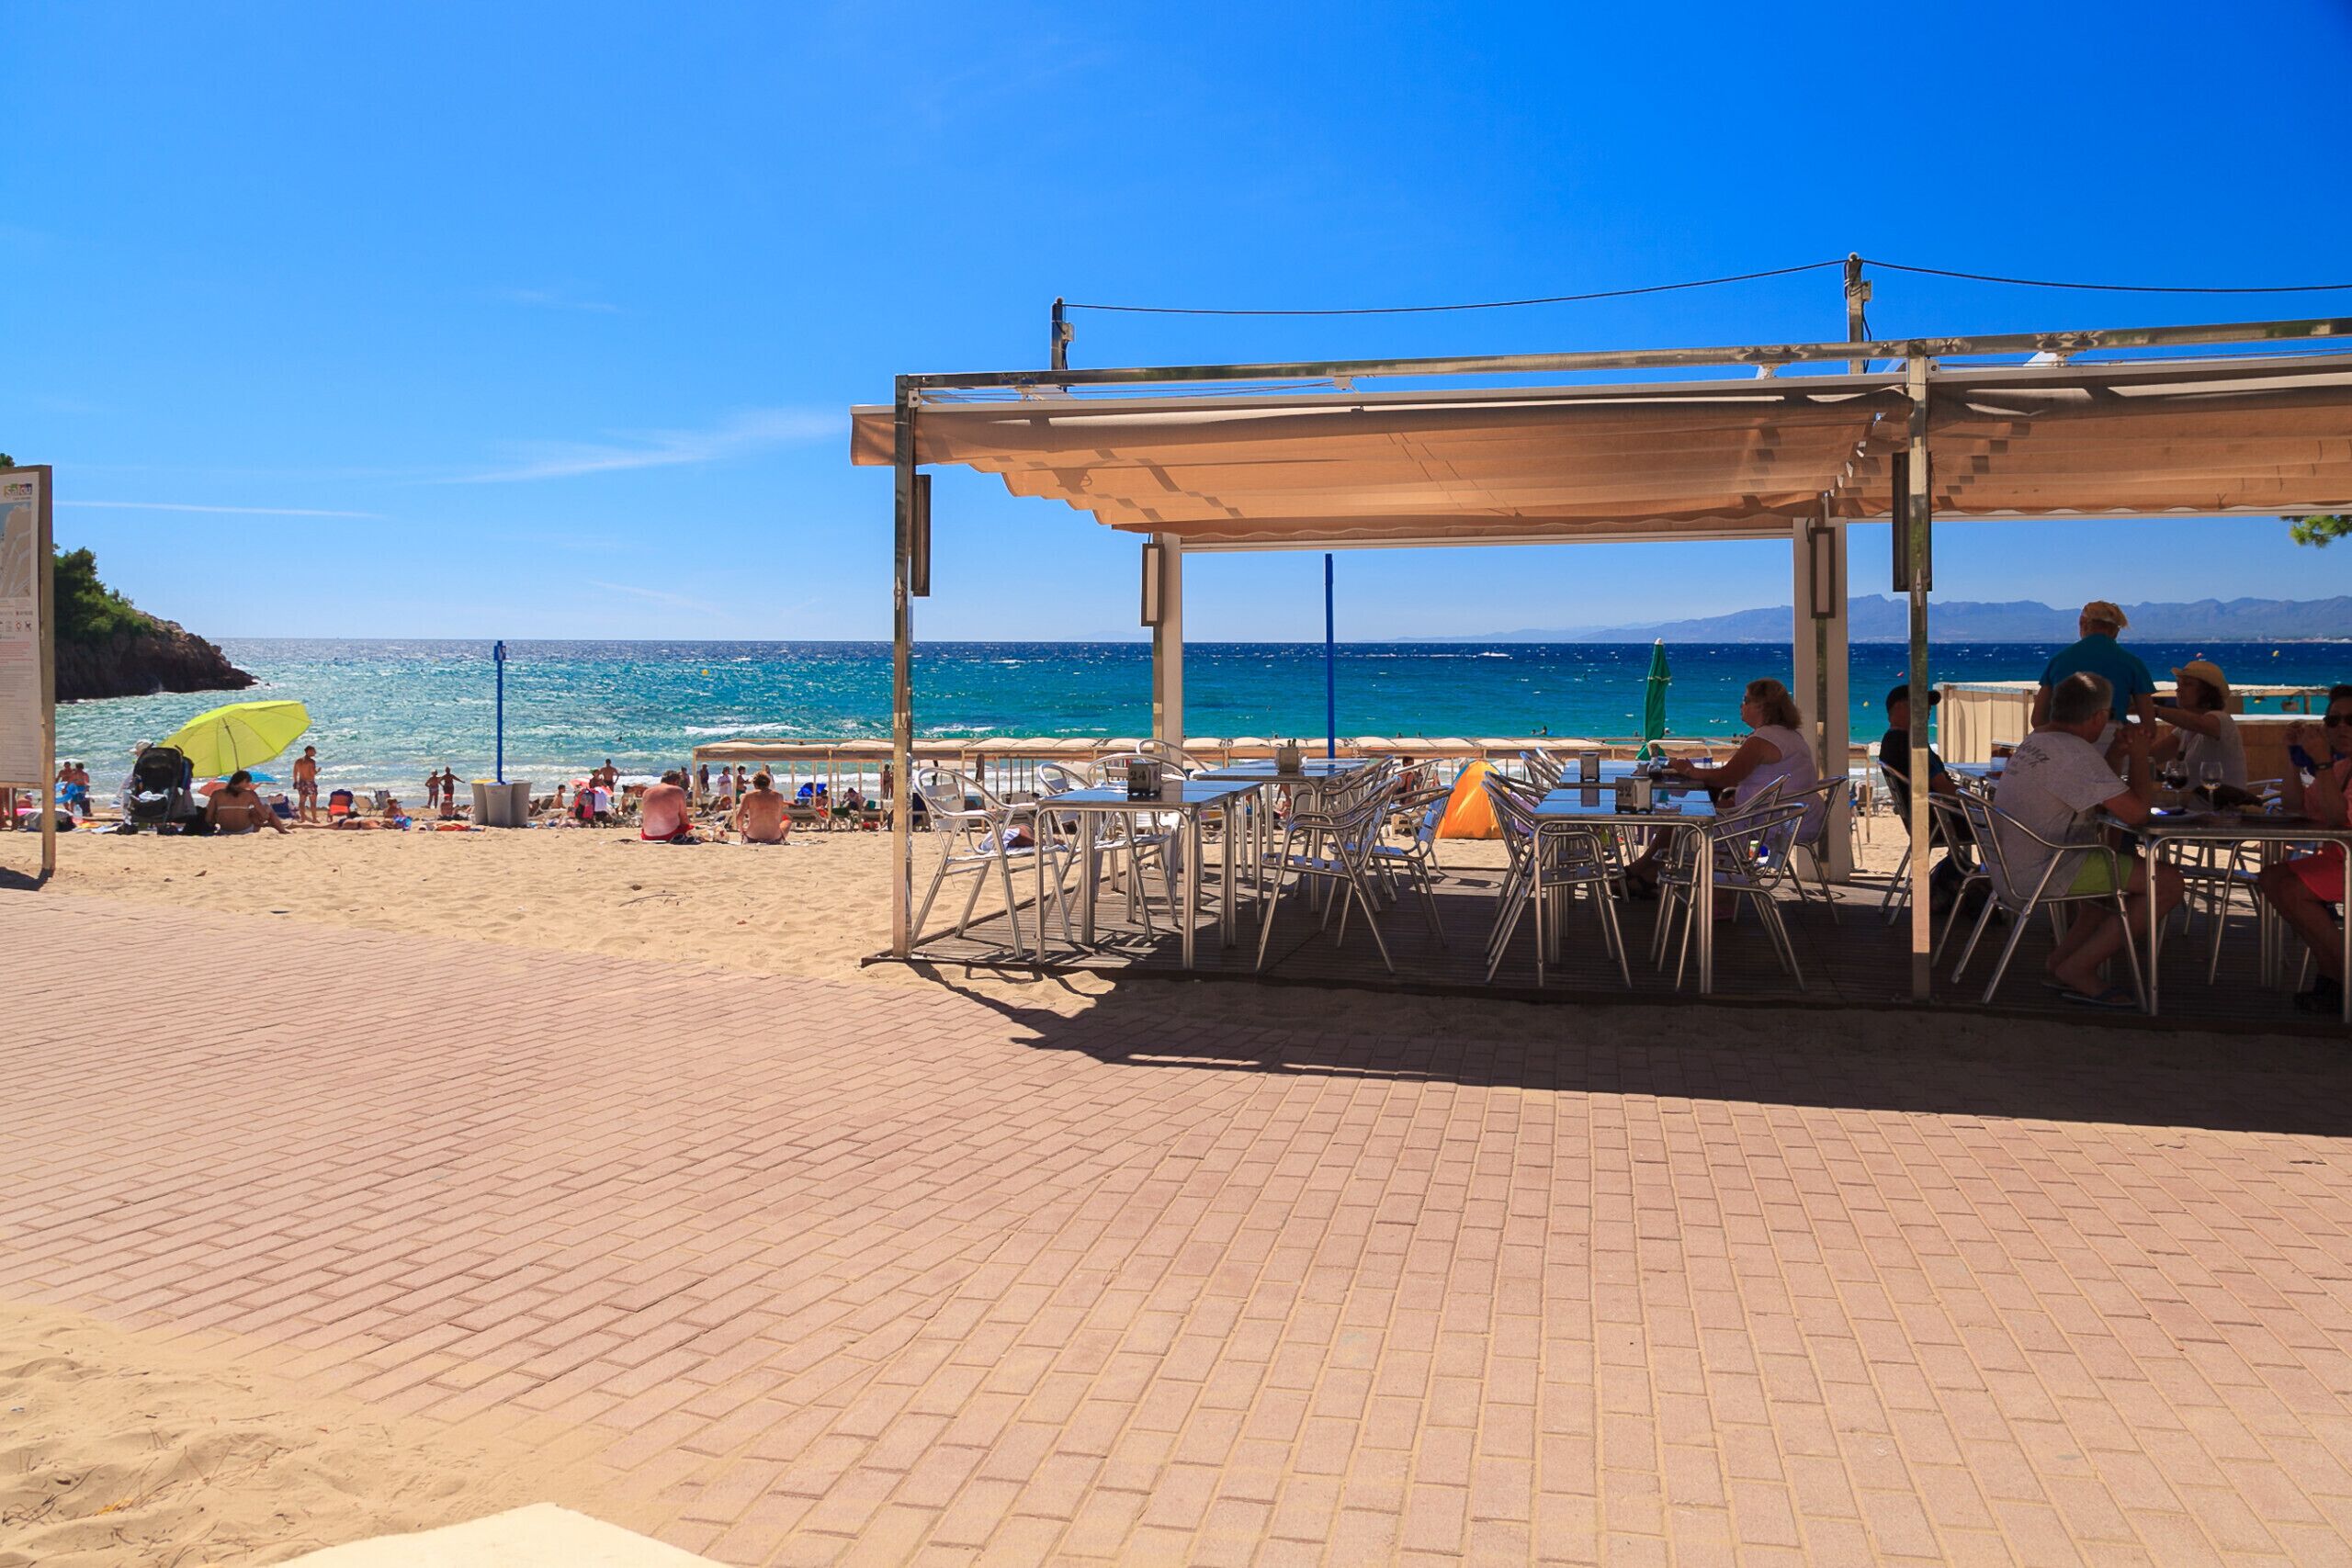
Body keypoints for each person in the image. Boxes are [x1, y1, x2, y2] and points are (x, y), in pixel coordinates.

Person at [1993, 671, 2182, 1007]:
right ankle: (2078, 969)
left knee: (2107, 893)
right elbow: (2138, 814)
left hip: (2013, 867)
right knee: (2167, 882)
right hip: (2046, 869)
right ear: (2097, 717)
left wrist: (2118, 753)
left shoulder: (2039, 740)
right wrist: (2140, 754)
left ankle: (2059, 963)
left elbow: (2095, 791)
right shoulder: (2074, 753)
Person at [1624, 678, 1820, 895]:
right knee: (1688, 815)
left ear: (1763, 706)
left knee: (1685, 819)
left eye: (1746, 700)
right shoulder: (1790, 735)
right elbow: (1747, 779)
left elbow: (1727, 777)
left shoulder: (1762, 740)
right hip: (1793, 817)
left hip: (1775, 822)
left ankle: (1645, 873)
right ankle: (1643, 871)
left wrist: (1688, 770)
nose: (1741, 705)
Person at [2258, 689, 2352, 1013]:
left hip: (2346, 859)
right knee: (2271, 877)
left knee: (2294, 890)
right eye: (2334, 720)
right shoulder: (2343, 768)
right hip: (2340, 858)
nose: (2342, 727)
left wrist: (2323, 762)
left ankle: (2341, 976)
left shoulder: (2334, 767)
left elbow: (2340, 819)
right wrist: (2290, 755)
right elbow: (2296, 806)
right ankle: (2334, 974)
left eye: (2350, 720)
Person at [1876, 682, 1968, 911]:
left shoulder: (1892, 741)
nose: (1927, 711)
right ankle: (1999, 890)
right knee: (1999, 824)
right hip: (1940, 820)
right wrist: (1977, 803)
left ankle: (1970, 882)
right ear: (1898, 708)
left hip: (1927, 818)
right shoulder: (1911, 745)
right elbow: (1943, 788)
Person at [2032, 600, 2156, 742]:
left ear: (2083, 624)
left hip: (2063, 739)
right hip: (2113, 740)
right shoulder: (2133, 663)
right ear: (2116, 630)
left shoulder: (2058, 661)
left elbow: (2038, 719)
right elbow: (2149, 728)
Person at [2150, 659, 2245, 791]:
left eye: (2188, 684)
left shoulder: (2222, 720)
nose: (2178, 689)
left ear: (2207, 692)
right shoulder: (2183, 730)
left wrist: (2153, 710)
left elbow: (2199, 723)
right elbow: (2151, 757)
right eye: (2178, 684)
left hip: (2223, 808)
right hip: (2193, 809)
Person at [205, 770, 289, 834]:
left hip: (224, 830)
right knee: (268, 808)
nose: (249, 785)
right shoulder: (250, 794)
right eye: (248, 782)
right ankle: (283, 831)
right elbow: (264, 815)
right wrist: (256, 818)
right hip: (245, 830)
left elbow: (208, 818)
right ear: (243, 781)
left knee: (248, 812)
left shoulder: (217, 794)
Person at [639, 769, 697, 842]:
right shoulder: (678, 790)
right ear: (676, 781)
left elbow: (644, 817)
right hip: (669, 835)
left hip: (647, 836)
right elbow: (684, 818)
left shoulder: (647, 792)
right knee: (688, 827)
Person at [736, 771, 789, 843]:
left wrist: (742, 832)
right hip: (774, 837)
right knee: (787, 822)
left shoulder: (748, 796)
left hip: (753, 836)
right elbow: (779, 818)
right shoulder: (779, 796)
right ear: (768, 783)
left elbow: (739, 817)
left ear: (755, 784)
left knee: (748, 826)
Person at [292, 745, 320, 822]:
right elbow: (312, 773)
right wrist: (318, 771)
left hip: (301, 783)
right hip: (310, 783)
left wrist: (295, 782)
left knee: (302, 801)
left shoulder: (298, 761)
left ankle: (303, 819)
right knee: (313, 802)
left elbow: (295, 773)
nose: (315, 752)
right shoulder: (311, 762)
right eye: (314, 751)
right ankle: (314, 819)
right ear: (309, 751)